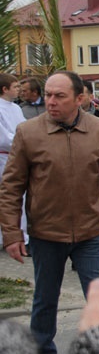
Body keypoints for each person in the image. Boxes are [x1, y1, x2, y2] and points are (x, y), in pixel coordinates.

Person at [0, 71, 99, 354]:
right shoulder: (28, 132)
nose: (51, 102)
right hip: (46, 234)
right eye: (49, 95)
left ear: (80, 98)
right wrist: (13, 234)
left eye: (59, 96)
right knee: (45, 301)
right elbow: (11, 187)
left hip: (91, 234)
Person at [0, 73, 29, 250]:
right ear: (5, 89)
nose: (19, 90)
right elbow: (4, 138)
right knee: (7, 197)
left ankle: (22, 236)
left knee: (19, 197)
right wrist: (23, 142)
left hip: (17, 156)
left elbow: (24, 129)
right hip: (4, 156)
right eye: (16, 87)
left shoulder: (16, 108)